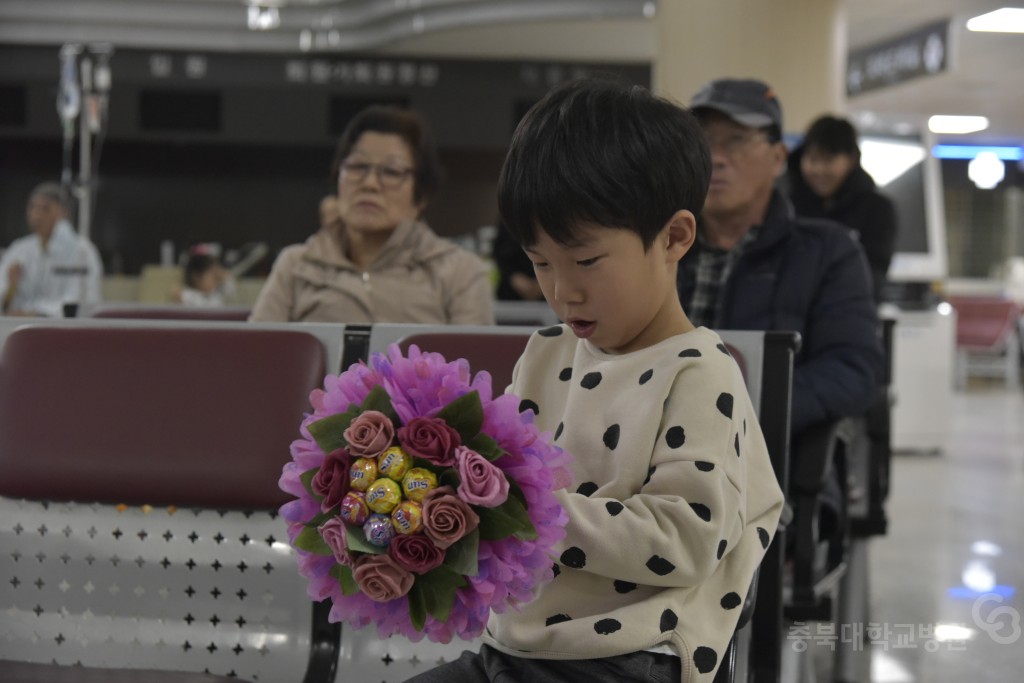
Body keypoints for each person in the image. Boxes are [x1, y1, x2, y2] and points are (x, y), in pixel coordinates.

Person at [407, 79, 784, 683]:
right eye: (540, 263)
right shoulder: (546, 354)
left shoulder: (698, 371)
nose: (563, 291)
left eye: (585, 261)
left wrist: (528, 512)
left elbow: (687, 539)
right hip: (516, 648)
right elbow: (498, 486)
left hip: (630, 657)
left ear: (675, 237)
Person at [678, 78, 883, 441]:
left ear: (777, 159)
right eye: (702, 142)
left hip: (765, 463)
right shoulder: (660, 246)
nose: (716, 157)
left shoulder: (827, 253)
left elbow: (854, 370)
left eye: (736, 140)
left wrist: (740, 408)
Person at [249, 106, 494, 324]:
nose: (370, 184)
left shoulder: (459, 272)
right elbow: (260, 358)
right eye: (357, 166)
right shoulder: (295, 265)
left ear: (421, 196)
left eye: (391, 172)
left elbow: (472, 369)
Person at [786, 114, 898, 303]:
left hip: (850, 310)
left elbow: (874, 274)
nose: (819, 170)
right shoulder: (788, 206)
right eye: (812, 159)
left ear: (851, 159)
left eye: (828, 160)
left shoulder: (877, 209)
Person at [0, 182, 103, 317]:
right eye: (32, 207)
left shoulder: (82, 252)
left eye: (45, 208)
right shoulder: (19, 249)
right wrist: (11, 288)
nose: (36, 215)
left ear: (63, 212)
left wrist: (38, 314)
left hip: (61, 328)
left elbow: (80, 300)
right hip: (18, 326)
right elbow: (4, 298)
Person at [492, 218, 543, 301]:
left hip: (545, 286)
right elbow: (499, 253)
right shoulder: (509, 218)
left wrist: (543, 283)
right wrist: (513, 277)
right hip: (511, 292)